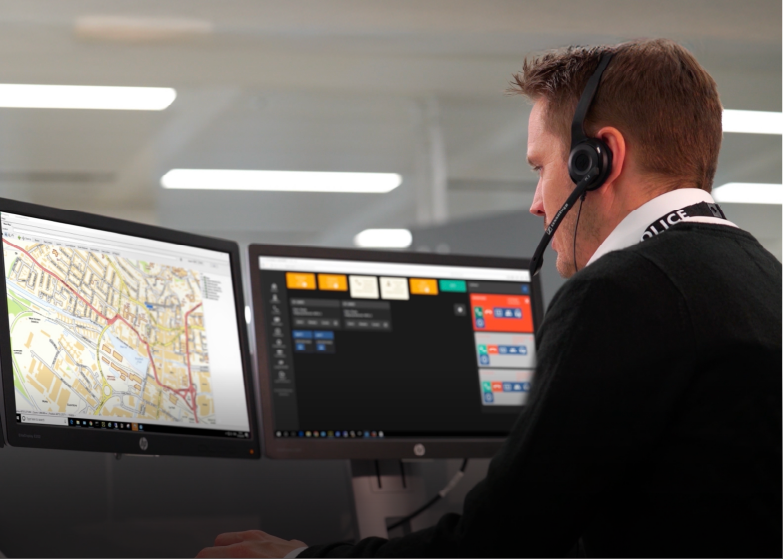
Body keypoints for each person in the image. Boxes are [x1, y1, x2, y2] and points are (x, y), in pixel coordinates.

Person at [197, 38, 783, 558]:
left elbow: (498, 545)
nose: (536, 201)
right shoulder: (763, 277)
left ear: (597, 159)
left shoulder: (619, 295)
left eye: (540, 167)